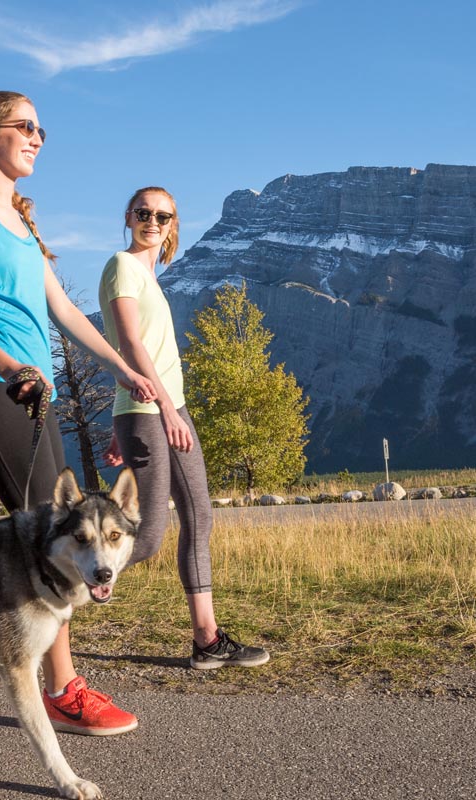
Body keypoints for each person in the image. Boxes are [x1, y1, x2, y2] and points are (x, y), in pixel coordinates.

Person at [0, 90, 156, 735]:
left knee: (67, 523)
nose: (37, 137)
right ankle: (64, 688)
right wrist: (10, 369)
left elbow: (61, 308)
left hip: (36, 394)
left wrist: (123, 366)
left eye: (41, 130)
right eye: (24, 126)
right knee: (49, 540)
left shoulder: (26, 225)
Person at [100, 186, 269, 670]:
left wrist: (138, 418)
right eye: (143, 212)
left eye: (163, 215)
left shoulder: (148, 276)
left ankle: (207, 640)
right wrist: (166, 411)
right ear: (129, 216)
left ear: (173, 224)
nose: (152, 220)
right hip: (157, 412)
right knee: (149, 535)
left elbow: (136, 347)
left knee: (199, 518)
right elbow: (129, 343)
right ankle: (50, 589)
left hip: (159, 409)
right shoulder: (122, 265)